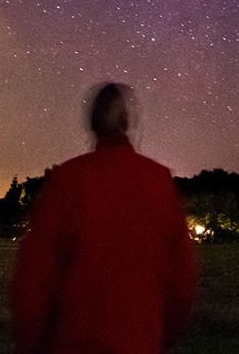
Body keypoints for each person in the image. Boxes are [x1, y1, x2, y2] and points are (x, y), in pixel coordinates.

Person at [11, 82, 197, 354]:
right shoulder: (158, 181)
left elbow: (33, 277)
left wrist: (30, 342)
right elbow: (182, 284)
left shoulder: (67, 179)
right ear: (128, 121)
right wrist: (159, 338)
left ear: (93, 123)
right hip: (139, 342)